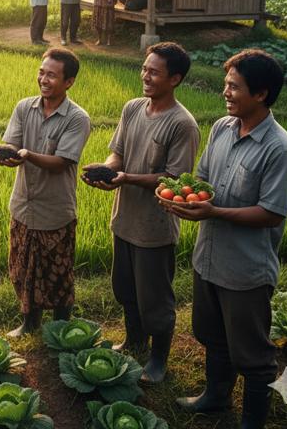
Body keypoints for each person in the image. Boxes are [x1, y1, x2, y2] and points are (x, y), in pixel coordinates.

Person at [167, 50, 287, 429]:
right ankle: (215, 397)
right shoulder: (222, 128)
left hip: (245, 271)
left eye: (233, 86)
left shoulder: (280, 150)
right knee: (211, 334)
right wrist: (179, 196)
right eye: (225, 84)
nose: (225, 92)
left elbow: (271, 213)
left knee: (253, 356)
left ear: (260, 94)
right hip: (208, 258)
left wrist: (213, 212)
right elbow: (204, 180)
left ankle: (251, 422)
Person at [82, 42, 199, 383]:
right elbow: (116, 153)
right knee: (125, 289)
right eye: (144, 68)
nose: (145, 76)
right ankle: (134, 341)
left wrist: (127, 177)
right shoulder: (133, 108)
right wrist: (107, 171)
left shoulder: (183, 124)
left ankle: (159, 360)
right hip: (125, 220)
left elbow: (176, 180)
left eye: (154, 72)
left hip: (155, 227)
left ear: (175, 79)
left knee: (155, 301)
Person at [0, 47, 91, 337]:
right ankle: (29, 323)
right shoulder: (25, 107)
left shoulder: (77, 118)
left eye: (51, 75)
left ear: (69, 82)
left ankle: (62, 327)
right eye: (41, 72)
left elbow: (61, 163)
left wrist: (25, 154)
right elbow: (11, 147)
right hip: (23, 206)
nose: (43, 79)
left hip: (54, 211)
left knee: (58, 274)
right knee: (23, 271)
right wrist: (5, 157)